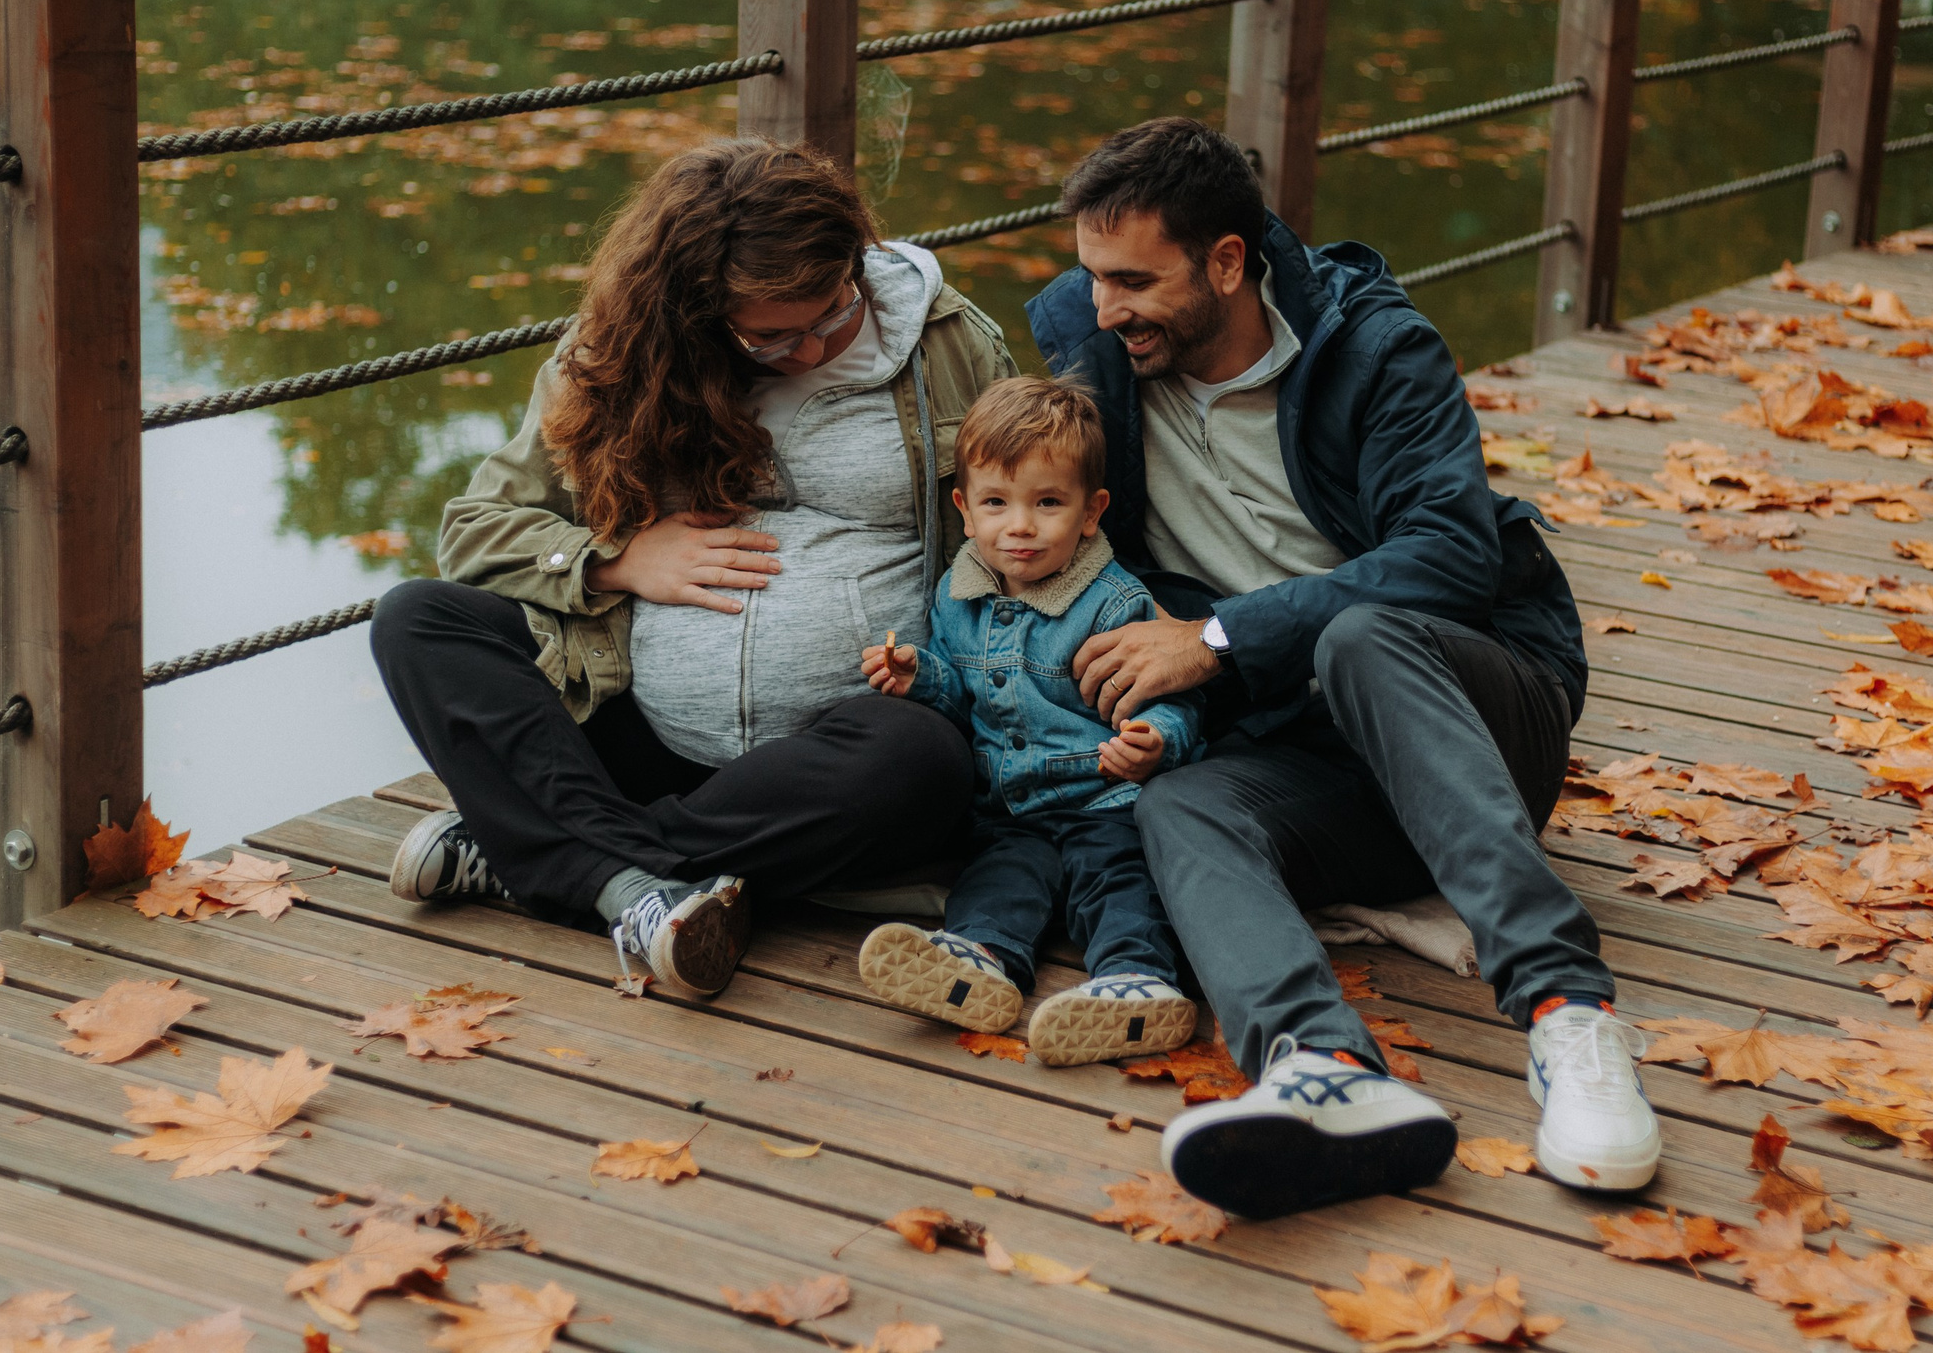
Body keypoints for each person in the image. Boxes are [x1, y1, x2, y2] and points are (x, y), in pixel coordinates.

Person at [1024, 117, 1662, 1220]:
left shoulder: (1374, 347)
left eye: (1133, 280)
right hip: (1305, 746)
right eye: (1089, 276)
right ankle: (1320, 1071)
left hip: (1481, 704)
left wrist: (1215, 639)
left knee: (1357, 631)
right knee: (1184, 805)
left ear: (1228, 261)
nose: (1101, 306)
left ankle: (1569, 1012)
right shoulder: (1095, 354)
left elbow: (1452, 553)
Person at [370, 137, 1014, 999]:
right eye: (774, 338)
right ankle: (636, 875)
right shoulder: (617, 360)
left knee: (923, 761)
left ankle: (555, 857)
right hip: (638, 722)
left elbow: (1039, 498)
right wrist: (616, 562)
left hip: (841, 756)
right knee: (417, 618)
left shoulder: (948, 342)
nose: (816, 348)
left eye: (833, 310)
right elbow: (475, 530)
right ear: (697, 314)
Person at [853, 376, 1203, 1066]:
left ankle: (1136, 983)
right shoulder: (958, 595)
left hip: (1107, 800)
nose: (1019, 525)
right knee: (997, 882)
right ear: (965, 508)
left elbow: (1173, 697)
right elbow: (964, 697)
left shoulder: (1114, 603)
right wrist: (919, 678)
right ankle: (980, 962)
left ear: (1091, 510)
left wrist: (1155, 740)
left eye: (1047, 503)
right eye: (996, 503)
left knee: (1122, 886)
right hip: (1012, 807)